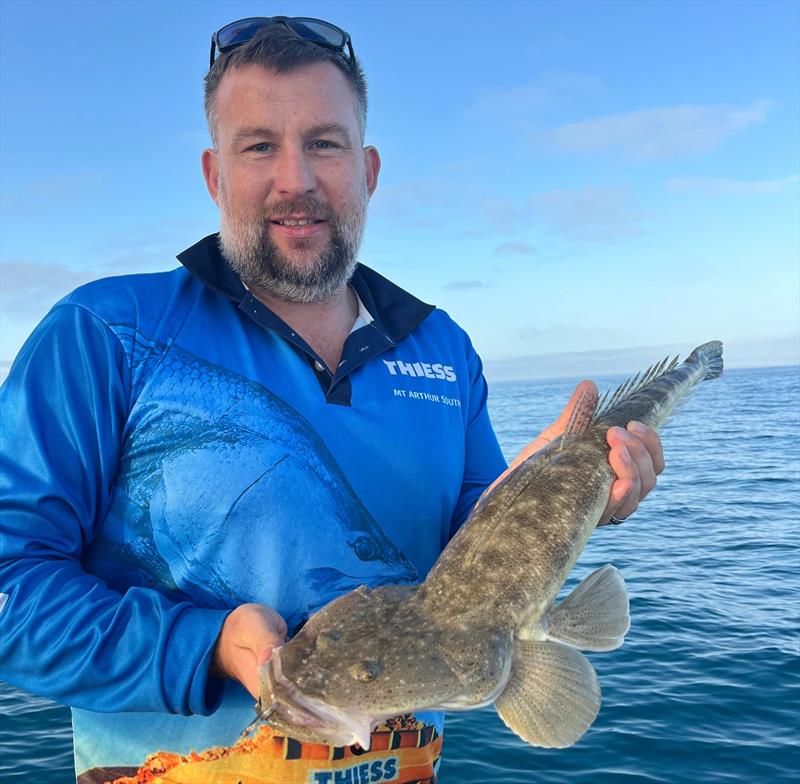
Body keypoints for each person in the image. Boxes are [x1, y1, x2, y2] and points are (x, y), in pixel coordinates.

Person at [0, 17, 663, 784]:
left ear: (368, 169)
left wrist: (558, 492)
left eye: (324, 143)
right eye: (260, 146)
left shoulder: (440, 347)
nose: (296, 180)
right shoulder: (106, 333)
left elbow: (467, 565)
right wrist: (205, 645)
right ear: (215, 175)